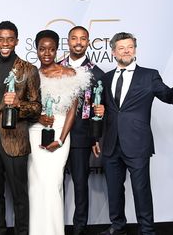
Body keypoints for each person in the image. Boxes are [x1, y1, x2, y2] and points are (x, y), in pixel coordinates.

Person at [94, 32, 173, 235]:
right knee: (114, 190)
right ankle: (117, 226)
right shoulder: (106, 78)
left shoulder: (149, 75)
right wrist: (98, 123)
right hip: (111, 143)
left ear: (135, 50)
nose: (126, 51)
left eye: (130, 47)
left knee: (141, 190)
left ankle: (147, 230)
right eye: (121, 48)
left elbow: (169, 96)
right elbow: (101, 109)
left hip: (137, 143)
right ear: (113, 52)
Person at [28, 29, 91, 235]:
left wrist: (62, 140)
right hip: (36, 132)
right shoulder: (31, 75)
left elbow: (72, 111)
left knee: (53, 183)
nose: (46, 53)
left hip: (60, 132)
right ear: (36, 50)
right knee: (37, 185)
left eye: (51, 49)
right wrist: (38, 118)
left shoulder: (70, 73)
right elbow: (27, 107)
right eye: (42, 49)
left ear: (57, 50)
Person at [0, 21, 41, 235]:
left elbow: (36, 107)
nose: (4, 43)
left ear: (16, 41)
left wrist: (18, 104)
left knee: (19, 195)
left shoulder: (29, 70)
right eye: (0, 38)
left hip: (15, 140)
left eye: (9, 39)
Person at [59, 26, 105, 235]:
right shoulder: (55, 67)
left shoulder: (97, 73)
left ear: (88, 42)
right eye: (74, 38)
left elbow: (100, 109)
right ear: (67, 41)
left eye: (83, 39)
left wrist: (96, 136)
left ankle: (79, 228)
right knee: (54, 184)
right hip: (55, 134)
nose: (78, 42)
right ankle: (54, 226)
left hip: (81, 135)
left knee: (79, 184)